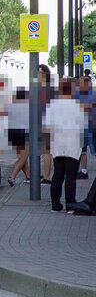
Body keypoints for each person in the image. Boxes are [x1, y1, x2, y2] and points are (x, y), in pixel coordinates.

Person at [43, 78, 86, 212]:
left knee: (58, 175)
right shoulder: (78, 105)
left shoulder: (52, 105)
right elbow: (82, 125)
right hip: (73, 145)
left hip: (58, 145)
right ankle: (70, 205)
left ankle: (55, 205)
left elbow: (47, 128)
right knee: (70, 177)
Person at [6, 87, 30, 186]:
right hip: (24, 132)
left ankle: (29, 177)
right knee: (23, 158)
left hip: (13, 132)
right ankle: (12, 177)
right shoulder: (28, 106)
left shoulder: (11, 106)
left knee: (21, 157)